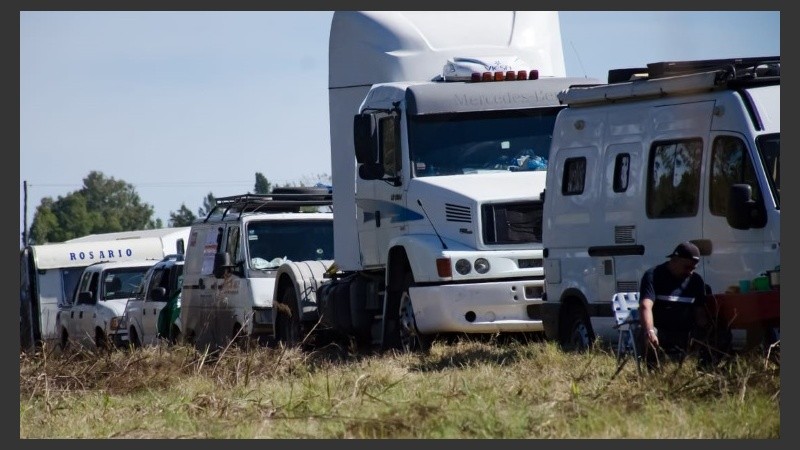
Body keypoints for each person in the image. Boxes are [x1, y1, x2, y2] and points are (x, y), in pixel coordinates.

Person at [639, 241, 710, 369]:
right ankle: (653, 372)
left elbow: (699, 311)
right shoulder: (653, 275)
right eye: (687, 267)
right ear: (675, 260)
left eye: (693, 268)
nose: (690, 272)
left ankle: (705, 370)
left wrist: (706, 329)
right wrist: (649, 331)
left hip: (686, 333)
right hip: (661, 331)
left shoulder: (696, 281)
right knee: (648, 334)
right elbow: (645, 306)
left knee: (714, 333)